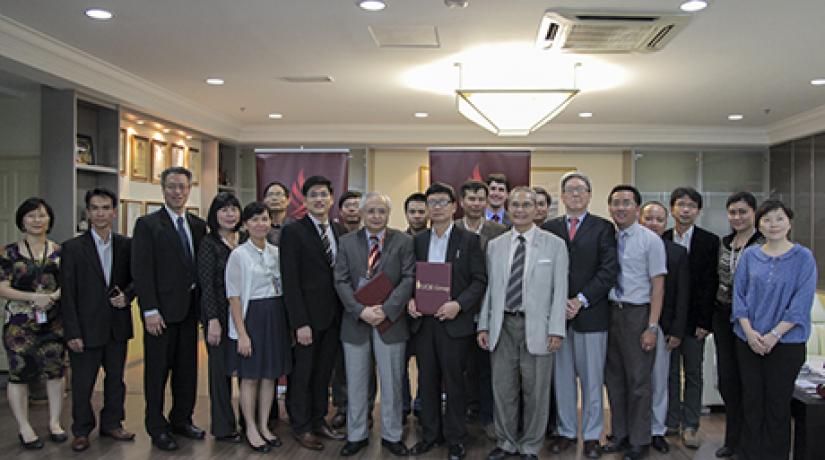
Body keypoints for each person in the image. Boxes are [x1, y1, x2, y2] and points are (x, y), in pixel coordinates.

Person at [477, 186, 568, 460]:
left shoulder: (555, 244)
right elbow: (491, 289)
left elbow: (560, 290)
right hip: (502, 325)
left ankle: (530, 445)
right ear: (507, 208)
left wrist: (556, 329)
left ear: (537, 209)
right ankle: (505, 443)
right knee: (503, 389)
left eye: (526, 205)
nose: (519, 210)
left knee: (536, 391)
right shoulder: (496, 245)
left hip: (538, 327)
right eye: (514, 205)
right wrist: (484, 324)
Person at [408, 182, 487, 460]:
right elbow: (409, 279)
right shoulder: (417, 241)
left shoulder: (469, 241)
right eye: (433, 203)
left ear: (455, 207)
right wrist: (410, 300)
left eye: (443, 202)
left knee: (455, 383)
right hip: (424, 324)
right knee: (427, 381)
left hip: (455, 324)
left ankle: (456, 437)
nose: (437, 207)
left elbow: (479, 281)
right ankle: (430, 435)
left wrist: (459, 305)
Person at [733, 199, 816, 460]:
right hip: (748, 340)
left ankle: (774, 455)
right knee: (752, 401)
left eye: (779, 218)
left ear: (789, 223)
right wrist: (749, 333)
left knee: (777, 405)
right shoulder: (750, 255)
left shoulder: (803, 257)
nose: (774, 224)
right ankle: (749, 454)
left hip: (787, 343)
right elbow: (739, 298)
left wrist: (773, 335)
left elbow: (800, 304)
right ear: (759, 225)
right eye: (767, 219)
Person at [131, 166, 207, 451]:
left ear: (190, 189)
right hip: (160, 314)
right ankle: (157, 427)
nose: (177, 192)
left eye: (182, 187)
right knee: (156, 373)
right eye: (172, 186)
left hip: (189, 311)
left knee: (187, 370)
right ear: (163, 189)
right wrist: (149, 310)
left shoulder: (198, 226)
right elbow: (142, 270)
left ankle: (182, 420)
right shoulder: (148, 225)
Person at [334, 192, 415, 457]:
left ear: (388, 214)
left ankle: (392, 435)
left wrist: (387, 309)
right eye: (371, 211)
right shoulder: (346, 242)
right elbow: (341, 281)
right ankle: (356, 434)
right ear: (362, 214)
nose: (376, 216)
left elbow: (408, 278)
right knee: (356, 383)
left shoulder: (403, 241)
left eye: (381, 211)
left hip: (390, 322)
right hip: (356, 322)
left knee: (392, 382)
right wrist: (360, 311)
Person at [543, 172, 618, 459]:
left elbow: (608, 270)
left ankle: (590, 435)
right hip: (557, 317)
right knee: (561, 378)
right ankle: (565, 430)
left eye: (581, 190)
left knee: (591, 379)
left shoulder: (603, 228)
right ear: (562, 196)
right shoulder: (549, 228)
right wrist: (559, 301)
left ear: (589, 195)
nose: (575, 195)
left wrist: (580, 299)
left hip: (591, 314)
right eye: (570, 190)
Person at [61, 189, 135, 452]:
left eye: (105, 208)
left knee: (116, 379)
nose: (100, 213)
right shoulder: (72, 248)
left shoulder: (126, 245)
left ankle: (113, 423)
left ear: (114, 212)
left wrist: (127, 297)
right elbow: (67, 294)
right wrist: (72, 332)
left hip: (116, 325)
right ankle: (81, 430)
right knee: (83, 383)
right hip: (85, 328)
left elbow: (137, 279)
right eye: (95, 208)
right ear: (88, 213)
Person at [280, 175, 346, 450]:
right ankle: (301, 425)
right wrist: (300, 323)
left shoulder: (339, 230)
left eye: (324, 194)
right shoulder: (293, 231)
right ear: (304, 201)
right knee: (302, 373)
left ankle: (320, 419)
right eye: (314, 195)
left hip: (334, 317)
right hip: (307, 318)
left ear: (331, 199)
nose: (320, 199)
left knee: (323, 373)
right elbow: (290, 281)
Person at [601, 185, 666, 460]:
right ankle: (620, 433)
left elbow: (658, 286)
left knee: (639, 381)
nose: (621, 208)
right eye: (616, 203)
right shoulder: (607, 238)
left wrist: (651, 327)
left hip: (637, 313)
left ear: (637, 208)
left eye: (627, 203)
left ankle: (640, 440)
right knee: (613, 378)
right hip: (610, 312)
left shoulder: (650, 240)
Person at [226, 202, 293, 453]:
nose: (260, 224)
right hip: (251, 317)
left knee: (269, 376)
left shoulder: (276, 252)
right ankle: (251, 428)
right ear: (245, 224)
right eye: (254, 220)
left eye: (264, 219)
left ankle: (265, 425)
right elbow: (233, 297)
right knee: (250, 377)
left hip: (275, 316)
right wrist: (242, 333)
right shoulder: (239, 255)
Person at [0, 197, 66, 449]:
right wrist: (33, 297)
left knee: (55, 373)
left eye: (42, 215)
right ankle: (24, 427)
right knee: (19, 375)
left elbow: (67, 283)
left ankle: (54, 422)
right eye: (31, 216)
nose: (37, 220)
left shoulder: (60, 251)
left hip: (53, 321)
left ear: (49, 219)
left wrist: (52, 296)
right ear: (21, 221)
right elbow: (2, 287)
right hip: (19, 324)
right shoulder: (9, 253)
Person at [663, 186, 720, 449]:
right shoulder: (662, 238)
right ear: (672, 208)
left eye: (691, 206)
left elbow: (711, 284)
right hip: (670, 320)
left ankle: (691, 425)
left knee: (694, 373)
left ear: (698, 211)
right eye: (680, 204)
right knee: (669, 373)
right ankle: (671, 420)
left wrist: (704, 322)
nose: (685, 210)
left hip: (695, 322)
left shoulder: (709, 241)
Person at [712, 191, 763, 458]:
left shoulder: (764, 242)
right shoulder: (724, 242)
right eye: (732, 212)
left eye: (743, 211)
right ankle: (731, 440)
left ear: (754, 213)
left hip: (753, 321)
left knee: (750, 384)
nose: (737, 217)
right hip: (723, 317)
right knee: (728, 381)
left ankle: (749, 443)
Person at [455, 180, 506, 439]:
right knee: (460, 367)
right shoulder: (451, 229)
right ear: (461, 202)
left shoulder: (499, 231)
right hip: (458, 310)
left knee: (487, 367)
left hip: (490, 307)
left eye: (480, 199)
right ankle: (464, 414)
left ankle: (488, 416)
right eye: (471, 199)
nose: (476, 203)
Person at [639, 201, 689, 454]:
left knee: (660, 381)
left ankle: (657, 430)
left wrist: (676, 331)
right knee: (634, 381)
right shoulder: (626, 247)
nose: (653, 224)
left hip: (663, 327)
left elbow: (682, 296)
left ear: (666, 223)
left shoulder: (677, 253)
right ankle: (631, 429)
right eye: (648, 218)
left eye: (659, 219)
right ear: (640, 219)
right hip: (631, 324)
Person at [197, 192, 243, 444]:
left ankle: (251, 420)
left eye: (234, 209)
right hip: (219, 317)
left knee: (248, 370)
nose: (230, 214)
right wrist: (212, 320)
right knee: (220, 373)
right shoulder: (208, 243)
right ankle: (224, 427)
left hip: (245, 316)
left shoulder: (245, 239)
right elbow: (206, 285)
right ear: (215, 215)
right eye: (224, 210)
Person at [331, 189, 374, 430]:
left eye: (357, 205)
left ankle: (366, 409)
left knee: (367, 363)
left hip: (367, 309)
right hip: (339, 307)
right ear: (340, 210)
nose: (353, 209)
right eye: (348, 205)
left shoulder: (373, 235)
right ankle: (342, 407)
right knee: (341, 363)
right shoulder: (335, 233)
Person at [401, 191, 428, 424]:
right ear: (406, 214)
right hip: (401, 314)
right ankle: (401, 406)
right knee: (399, 362)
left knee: (426, 364)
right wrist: (407, 299)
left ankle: (421, 404)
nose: (418, 216)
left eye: (422, 211)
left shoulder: (436, 241)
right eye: (413, 212)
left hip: (429, 314)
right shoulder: (396, 241)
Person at [263, 181, 294, 246]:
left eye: (279, 194)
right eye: (270, 195)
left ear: (288, 200)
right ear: (264, 200)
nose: (274, 198)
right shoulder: (258, 227)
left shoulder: (297, 227)